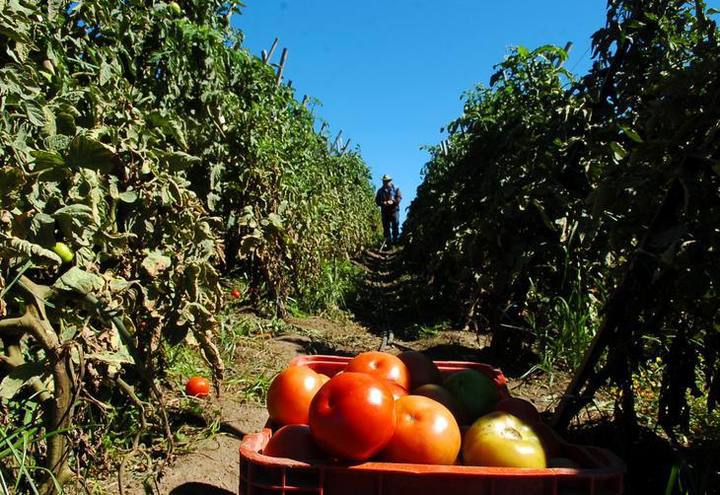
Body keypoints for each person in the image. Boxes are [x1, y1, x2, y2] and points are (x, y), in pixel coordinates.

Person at [375, 174, 402, 246]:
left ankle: (395, 241)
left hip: (394, 210)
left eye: (387, 181)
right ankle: (388, 243)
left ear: (390, 181)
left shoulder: (396, 189)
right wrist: (383, 203)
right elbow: (377, 201)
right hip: (385, 211)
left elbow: (399, 198)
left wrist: (393, 202)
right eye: (384, 181)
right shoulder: (380, 191)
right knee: (386, 227)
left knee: (395, 224)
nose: (386, 183)